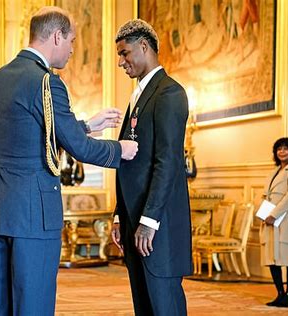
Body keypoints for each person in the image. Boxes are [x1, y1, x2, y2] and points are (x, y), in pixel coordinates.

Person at [0, 7, 138, 316]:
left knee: (5, 301)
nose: (71, 49)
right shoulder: (46, 82)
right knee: (34, 302)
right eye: (71, 40)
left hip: (1, 207)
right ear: (57, 36)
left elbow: (34, 134)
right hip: (35, 211)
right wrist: (119, 149)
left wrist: (86, 125)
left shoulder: (0, 78)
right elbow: (79, 149)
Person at [111, 19, 192, 316]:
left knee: (163, 306)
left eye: (124, 53)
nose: (121, 62)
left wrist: (149, 221)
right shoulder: (140, 95)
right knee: (144, 306)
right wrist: (120, 214)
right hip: (136, 220)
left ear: (144, 47)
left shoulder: (169, 93)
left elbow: (167, 162)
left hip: (158, 225)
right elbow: (129, 163)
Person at [260, 137, 288, 308]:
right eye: (279, 149)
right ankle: (280, 293)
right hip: (271, 219)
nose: (282, 152)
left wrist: (274, 214)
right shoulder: (274, 172)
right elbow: (267, 195)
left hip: (286, 217)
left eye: (286, 148)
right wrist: (264, 215)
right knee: (272, 257)